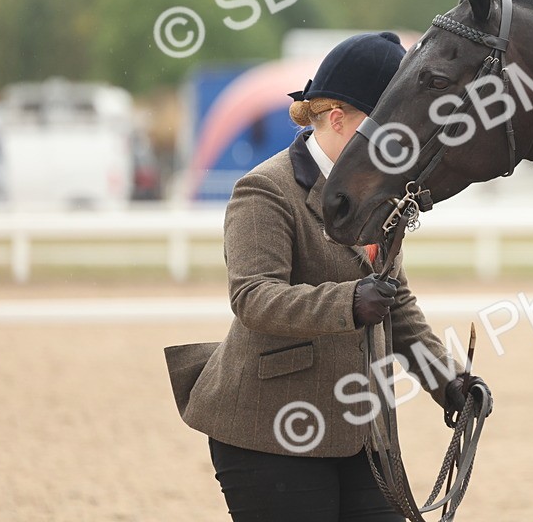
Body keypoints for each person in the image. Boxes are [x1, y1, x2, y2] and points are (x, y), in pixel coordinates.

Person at [165, 31, 483, 522]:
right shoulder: (265, 190)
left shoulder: (381, 193)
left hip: (363, 430)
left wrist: (447, 381)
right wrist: (349, 302)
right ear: (337, 119)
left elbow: (394, 303)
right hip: (269, 430)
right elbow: (254, 297)